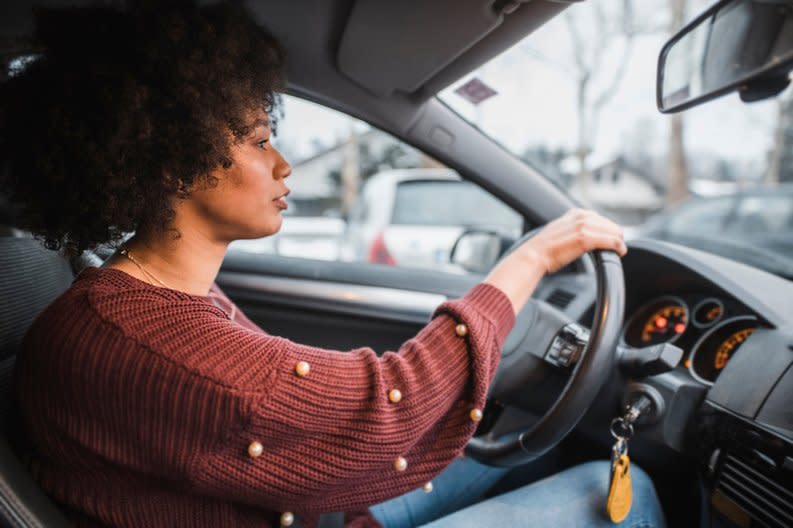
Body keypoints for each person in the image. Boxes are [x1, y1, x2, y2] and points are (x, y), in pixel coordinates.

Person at [1, 3, 665, 528]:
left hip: (297, 510)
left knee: (534, 451)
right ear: (171, 158)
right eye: (260, 141)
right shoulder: (144, 344)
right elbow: (391, 410)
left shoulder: (141, 299)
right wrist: (533, 257)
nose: (284, 165)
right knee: (620, 492)